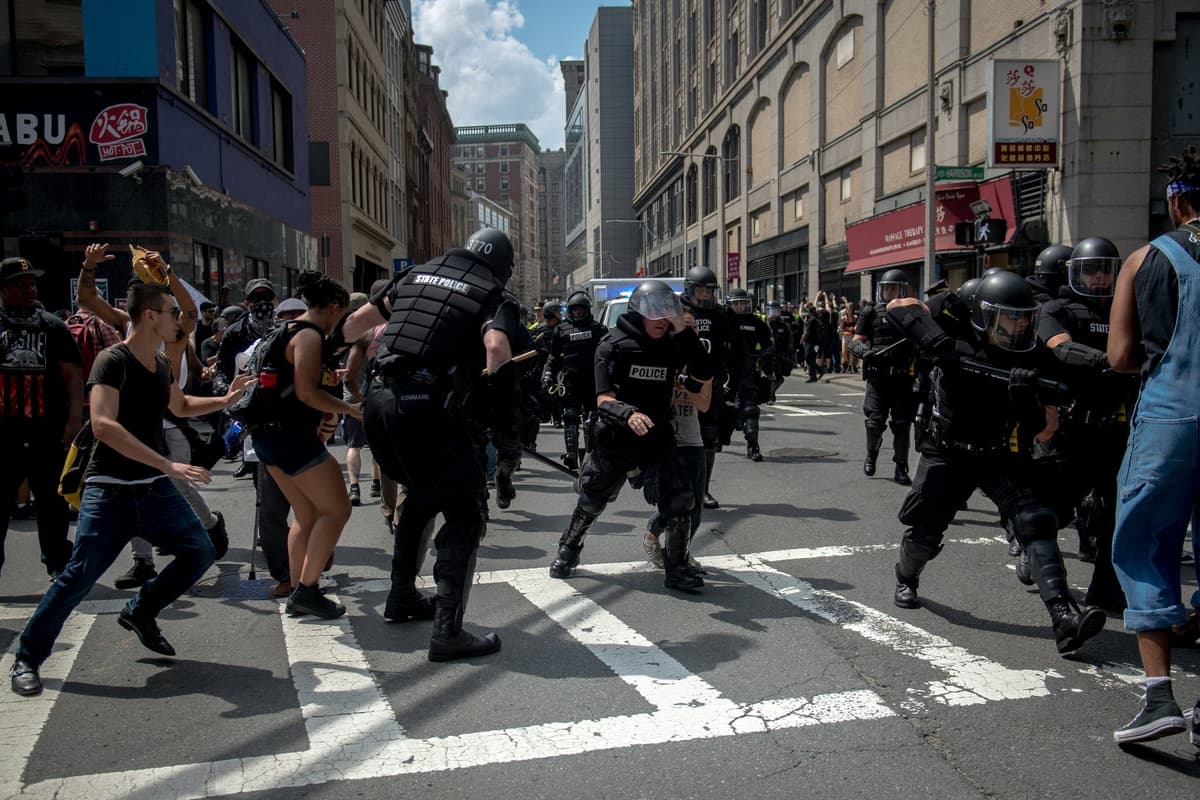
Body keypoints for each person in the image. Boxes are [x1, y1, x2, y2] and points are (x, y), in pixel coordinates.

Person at [9, 282, 251, 696]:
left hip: (152, 490)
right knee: (78, 577)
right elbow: (103, 424)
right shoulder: (112, 361)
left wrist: (226, 399)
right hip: (111, 492)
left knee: (201, 551)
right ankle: (27, 658)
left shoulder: (160, 365)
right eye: (174, 312)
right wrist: (166, 463)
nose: (181, 319)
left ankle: (141, 610)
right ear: (150, 316)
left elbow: (180, 406)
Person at [887, 270, 1105, 657]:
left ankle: (1063, 618)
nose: (1018, 324)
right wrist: (935, 340)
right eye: (1009, 316)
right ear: (985, 315)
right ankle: (906, 577)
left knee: (1036, 523)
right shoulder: (957, 337)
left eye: (1024, 316)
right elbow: (898, 306)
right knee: (924, 531)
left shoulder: (1034, 356)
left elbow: (1043, 429)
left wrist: (1025, 399)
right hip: (949, 452)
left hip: (999, 454)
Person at [342, 227, 523, 661]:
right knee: (466, 515)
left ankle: (402, 595)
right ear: (502, 265)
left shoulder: (417, 275)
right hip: (425, 406)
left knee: (421, 497)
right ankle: (447, 632)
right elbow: (496, 349)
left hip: (379, 405)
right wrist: (499, 415)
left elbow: (351, 327)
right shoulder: (494, 294)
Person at [1107, 146, 1200, 745]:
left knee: (1144, 544)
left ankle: (1159, 697)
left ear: (1177, 199)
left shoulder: (1146, 258)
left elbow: (1119, 356)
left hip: (1172, 417)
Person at [76, 243, 229, 589]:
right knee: (134, 490)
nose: (135, 299)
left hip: (170, 421)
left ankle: (210, 529)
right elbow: (87, 299)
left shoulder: (174, 333)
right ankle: (143, 561)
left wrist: (168, 273)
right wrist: (88, 265)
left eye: (143, 291)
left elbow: (189, 312)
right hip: (132, 424)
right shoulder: (126, 328)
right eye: (133, 293)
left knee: (178, 485)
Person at [548, 280, 713, 591]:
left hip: (657, 438)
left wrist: (684, 329)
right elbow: (603, 398)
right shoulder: (612, 345)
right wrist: (628, 414)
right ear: (639, 313)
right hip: (617, 438)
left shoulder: (671, 344)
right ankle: (569, 549)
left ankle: (676, 567)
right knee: (592, 500)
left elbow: (703, 370)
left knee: (682, 498)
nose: (662, 321)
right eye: (656, 315)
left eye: (667, 315)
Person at [246, 274, 360, 620]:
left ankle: (298, 588)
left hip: (266, 437)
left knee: (307, 514)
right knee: (338, 510)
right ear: (335, 308)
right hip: (292, 438)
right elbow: (307, 391)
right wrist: (351, 409)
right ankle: (308, 590)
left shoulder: (282, 332)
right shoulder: (308, 335)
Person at [1037, 236, 1133, 612]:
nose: (1097, 278)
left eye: (1105, 270)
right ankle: (1038, 559)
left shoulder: (1126, 309)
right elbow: (1059, 346)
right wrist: (1112, 361)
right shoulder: (1057, 309)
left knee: (1116, 516)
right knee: (1052, 510)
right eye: (1090, 270)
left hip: (1115, 430)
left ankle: (1105, 587)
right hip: (1070, 430)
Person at [0, 256, 82, 582]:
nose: (29, 288)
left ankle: (58, 564)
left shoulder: (52, 326)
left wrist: (74, 420)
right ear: (4, 288)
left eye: (31, 282)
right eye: (21, 284)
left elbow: (73, 376)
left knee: (52, 502)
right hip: (3, 436)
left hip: (46, 433)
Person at [642, 308, 713, 570]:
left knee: (694, 508)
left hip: (693, 442)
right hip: (667, 442)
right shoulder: (662, 358)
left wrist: (687, 386)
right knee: (673, 503)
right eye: (681, 327)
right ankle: (653, 535)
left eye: (693, 328)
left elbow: (704, 404)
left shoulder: (701, 363)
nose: (688, 332)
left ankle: (681, 552)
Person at [679, 265, 744, 510]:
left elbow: (737, 352)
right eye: (700, 291)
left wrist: (734, 386)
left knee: (709, 437)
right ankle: (677, 484)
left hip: (712, 383)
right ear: (690, 288)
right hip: (681, 384)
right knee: (677, 434)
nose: (705, 296)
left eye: (709, 291)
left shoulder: (722, 314)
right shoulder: (677, 310)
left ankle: (702, 488)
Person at [849, 270, 917, 485]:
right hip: (878, 378)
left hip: (903, 378)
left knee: (902, 424)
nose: (889, 292)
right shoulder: (871, 312)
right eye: (886, 288)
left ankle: (901, 467)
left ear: (903, 289)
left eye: (893, 288)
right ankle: (872, 455)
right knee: (874, 423)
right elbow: (855, 341)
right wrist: (865, 352)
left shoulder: (913, 312)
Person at [542, 291, 606, 470]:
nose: (578, 313)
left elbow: (607, 356)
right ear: (570, 310)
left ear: (586, 310)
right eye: (575, 310)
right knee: (570, 416)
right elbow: (553, 358)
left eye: (581, 310)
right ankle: (571, 454)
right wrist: (547, 376)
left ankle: (590, 453)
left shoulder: (598, 329)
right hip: (570, 381)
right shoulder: (560, 330)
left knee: (591, 418)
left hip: (592, 381)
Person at [727, 289, 771, 462]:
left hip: (749, 370)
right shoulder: (723, 320)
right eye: (736, 303)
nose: (740, 306)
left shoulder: (756, 322)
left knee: (751, 409)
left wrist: (765, 355)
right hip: (727, 371)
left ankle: (753, 445)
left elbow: (768, 344)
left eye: (743, 303)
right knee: (721, 407)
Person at [340, 292, 370, 505]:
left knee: (353, 445)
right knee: (378, 447)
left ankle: (354, 487)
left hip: (350, 398)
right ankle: (378, 484)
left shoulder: (341, 334)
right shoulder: (373, 331)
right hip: (373, 395)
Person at [765, 301, 793, 401]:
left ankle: (771, 392)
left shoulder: (783, 325)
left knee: (780, 379)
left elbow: (789, 339)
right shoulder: (764, 324)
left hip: (779, 355)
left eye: (775, 310)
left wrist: (789, 352)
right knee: (769, 377)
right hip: (767, 355)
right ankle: (769, 396)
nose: (773, 313)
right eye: (771, 310)